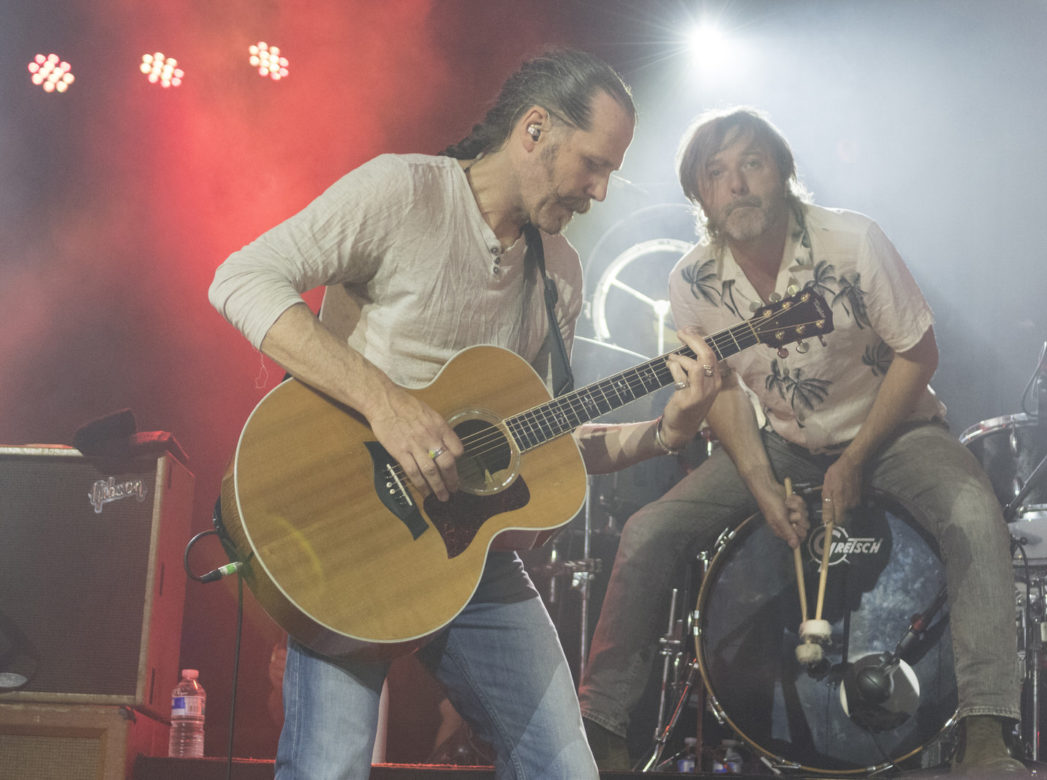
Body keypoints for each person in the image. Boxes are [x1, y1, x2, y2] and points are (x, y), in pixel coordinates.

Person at [208, 50, 723, 780]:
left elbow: (543, 443)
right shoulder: (403, 193)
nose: (601, 192)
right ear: (534, 129)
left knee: (568, 771)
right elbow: (240, 278)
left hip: (470, 559)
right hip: (353, 537)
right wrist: (389, 406)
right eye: (593, 164)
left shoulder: (560, 273)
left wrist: (668, 430)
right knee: (329, 771)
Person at [577, 107, 1026, 774]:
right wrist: (761, 485)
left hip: (896, 429)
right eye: (716, 173)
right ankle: (599, 732)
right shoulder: (692, 280)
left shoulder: (855, 242)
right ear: (700, 195)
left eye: (751, 164)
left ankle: (987, 733)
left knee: (971, 512)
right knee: (648, 530)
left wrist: (857, 456)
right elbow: (722, 386)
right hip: (784, 443)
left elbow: (919, 354)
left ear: (783, 172)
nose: (737, 184)